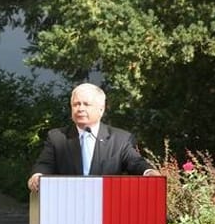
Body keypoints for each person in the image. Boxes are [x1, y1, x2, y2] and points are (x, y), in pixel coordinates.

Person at [27, 82, 159, 192]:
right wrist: (37, 176)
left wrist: (149, 172)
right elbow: (44, 164)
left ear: (101, 109)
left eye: (86, 104)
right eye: (76, 104)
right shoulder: (57, 137)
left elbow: (135, 162)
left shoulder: (120, 139)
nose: (80, 109)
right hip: (67, 203)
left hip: (106, 205)